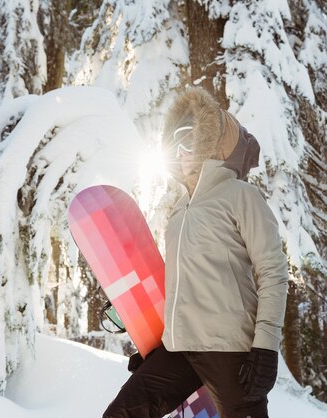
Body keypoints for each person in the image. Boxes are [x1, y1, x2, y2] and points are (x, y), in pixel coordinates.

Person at [103, 87, 288, 418]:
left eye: (191, 140)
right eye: (176, 143)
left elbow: (273, 272)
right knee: (121, 413)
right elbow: (181, 284)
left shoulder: (240, 195)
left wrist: (265, 347)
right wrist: (159, 343)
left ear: (212, 145)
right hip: (179, 350)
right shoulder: (179, 210)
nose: (183, 150)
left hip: (230, 349)